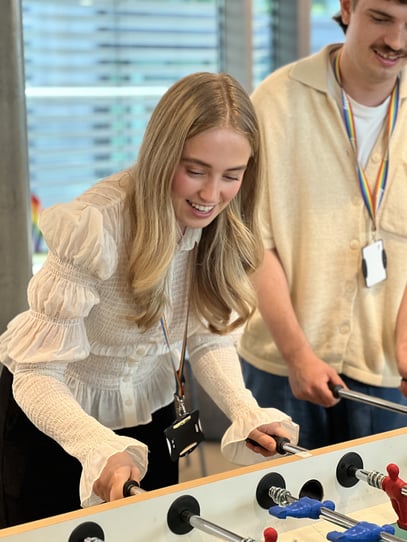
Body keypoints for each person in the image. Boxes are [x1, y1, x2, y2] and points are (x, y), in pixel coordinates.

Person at [0, 71, 299, 528]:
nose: (210, 195)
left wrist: (244, 410)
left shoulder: (221, 224)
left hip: (151, 417)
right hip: (58, 423)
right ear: (162, 155)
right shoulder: (96, 227)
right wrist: (95, 446)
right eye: (195, 170)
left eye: (231, 176)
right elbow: (37, 374)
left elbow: (206, 337)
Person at [238, 0, 407, 451]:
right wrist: (298, 354)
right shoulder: (276, 102)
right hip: (282, 363)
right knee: (281, 515)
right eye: (382, 18)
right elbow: (253, 243)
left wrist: (406, 345)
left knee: (382, 514)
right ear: (348, 7)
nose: (396, 41)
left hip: (386, 366)